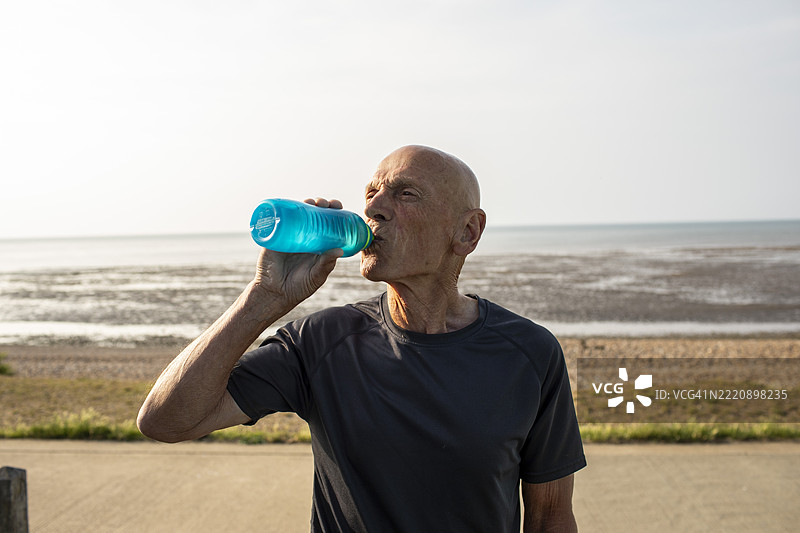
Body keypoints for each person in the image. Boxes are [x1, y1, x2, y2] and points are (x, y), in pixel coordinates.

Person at [137, 145, 586, 532]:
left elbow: (550, 518)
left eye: (405, 194)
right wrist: (265, 297)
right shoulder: (320, 342)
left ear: (467, 232)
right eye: (372, 192)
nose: (374, 208)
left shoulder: (530, 353)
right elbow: (166, 421)